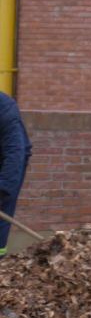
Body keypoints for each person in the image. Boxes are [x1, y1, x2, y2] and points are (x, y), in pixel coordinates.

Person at [0, 91, 31, 257]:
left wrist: (2, 189)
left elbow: (14, 154)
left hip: (8, 161)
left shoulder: (5, 109)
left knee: (3, 209)